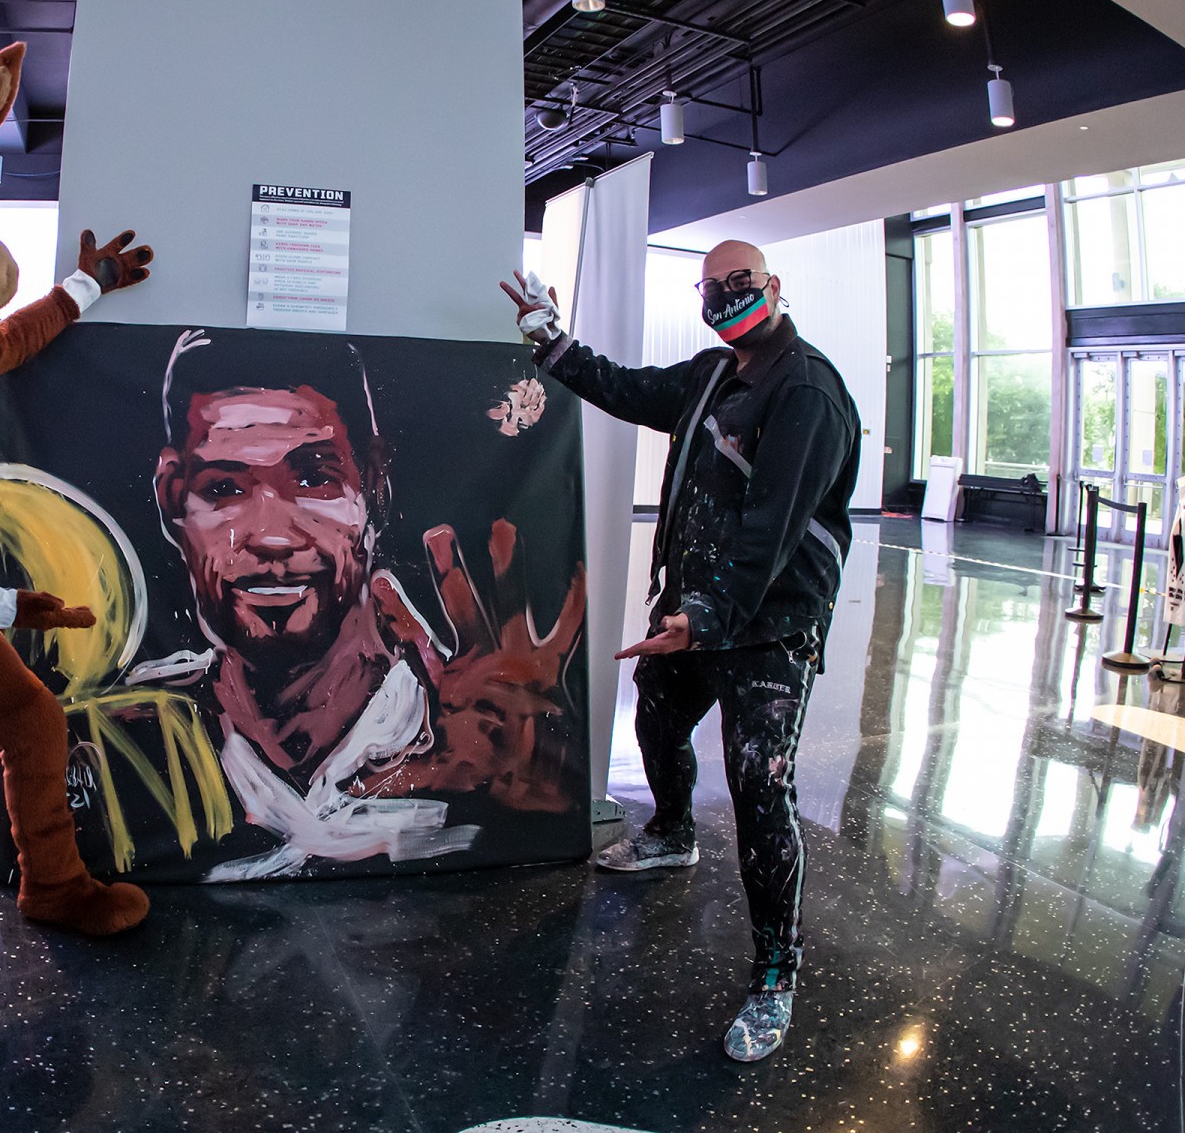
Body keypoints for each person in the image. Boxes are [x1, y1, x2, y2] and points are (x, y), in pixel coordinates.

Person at [501, 241, 859, 1063]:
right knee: (658, 722)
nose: (726, 296)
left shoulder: (806, 390)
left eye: (742, 283)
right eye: (712, 286)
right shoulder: (712, 375)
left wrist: (708, 612)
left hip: (769, 627)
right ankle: (671, 832)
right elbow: (629, 389)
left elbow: (772, 528)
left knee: (759, 790)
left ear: (774, 286)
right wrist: (552, 339)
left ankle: (776, 972)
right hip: (694, 613)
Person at [103, 328, 585, 881]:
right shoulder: (126, 734)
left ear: (374, 489)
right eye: (224, 489)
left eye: (315, 478)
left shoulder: (467, 730)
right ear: (171, 498)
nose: (272, 536)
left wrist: (533, 785)